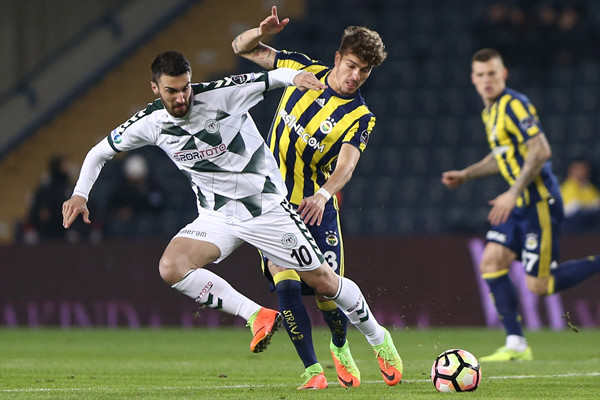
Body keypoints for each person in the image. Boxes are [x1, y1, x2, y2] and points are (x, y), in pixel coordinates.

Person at [62, 50, 402, 383]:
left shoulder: (221, 95)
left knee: (324, 282)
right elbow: (99, 152)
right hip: (218, 215)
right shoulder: (150, 123)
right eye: (171, 91)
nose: (181, 98)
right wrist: (80, 194)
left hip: (265, 209)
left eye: (185, 88)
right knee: (172, 266)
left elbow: (270, 78)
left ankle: (378, 338)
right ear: (155, 88)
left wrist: (296, 77)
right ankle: (256, 315)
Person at [232, 6, 391, 389]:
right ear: (337, 58)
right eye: (351, 65)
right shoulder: (301, 70)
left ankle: (340, 346)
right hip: (270, 205)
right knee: (285, 282)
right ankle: (312, 370)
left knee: (326, 291)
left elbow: (347, 166)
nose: (356, 76)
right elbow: (240, 47)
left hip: (317, 207)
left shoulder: (360, 116)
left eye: (365, 71)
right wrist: (260, 32)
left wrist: (322, 195)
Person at [441, 48, 600, 362]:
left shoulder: (515, 104)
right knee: (491, 261)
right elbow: (501, 156)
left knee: (540, 285)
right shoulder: (490, 113)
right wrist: (467, 174)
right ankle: (515, 343)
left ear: (503, 74)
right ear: (473, 79)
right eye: (481, 74)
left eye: (492, 73)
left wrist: (513, 192)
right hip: (519, 204)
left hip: (539, 202)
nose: (487, 79)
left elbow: (541, 150)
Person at [560, 158, 600, 232]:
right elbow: (570, 209)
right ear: (571, 170)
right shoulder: (568, 187)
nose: (582, 172)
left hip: (589, 226)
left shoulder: (588, 186)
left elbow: (597, 203)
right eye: (578, 169)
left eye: (584, 169)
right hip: (571, 228)